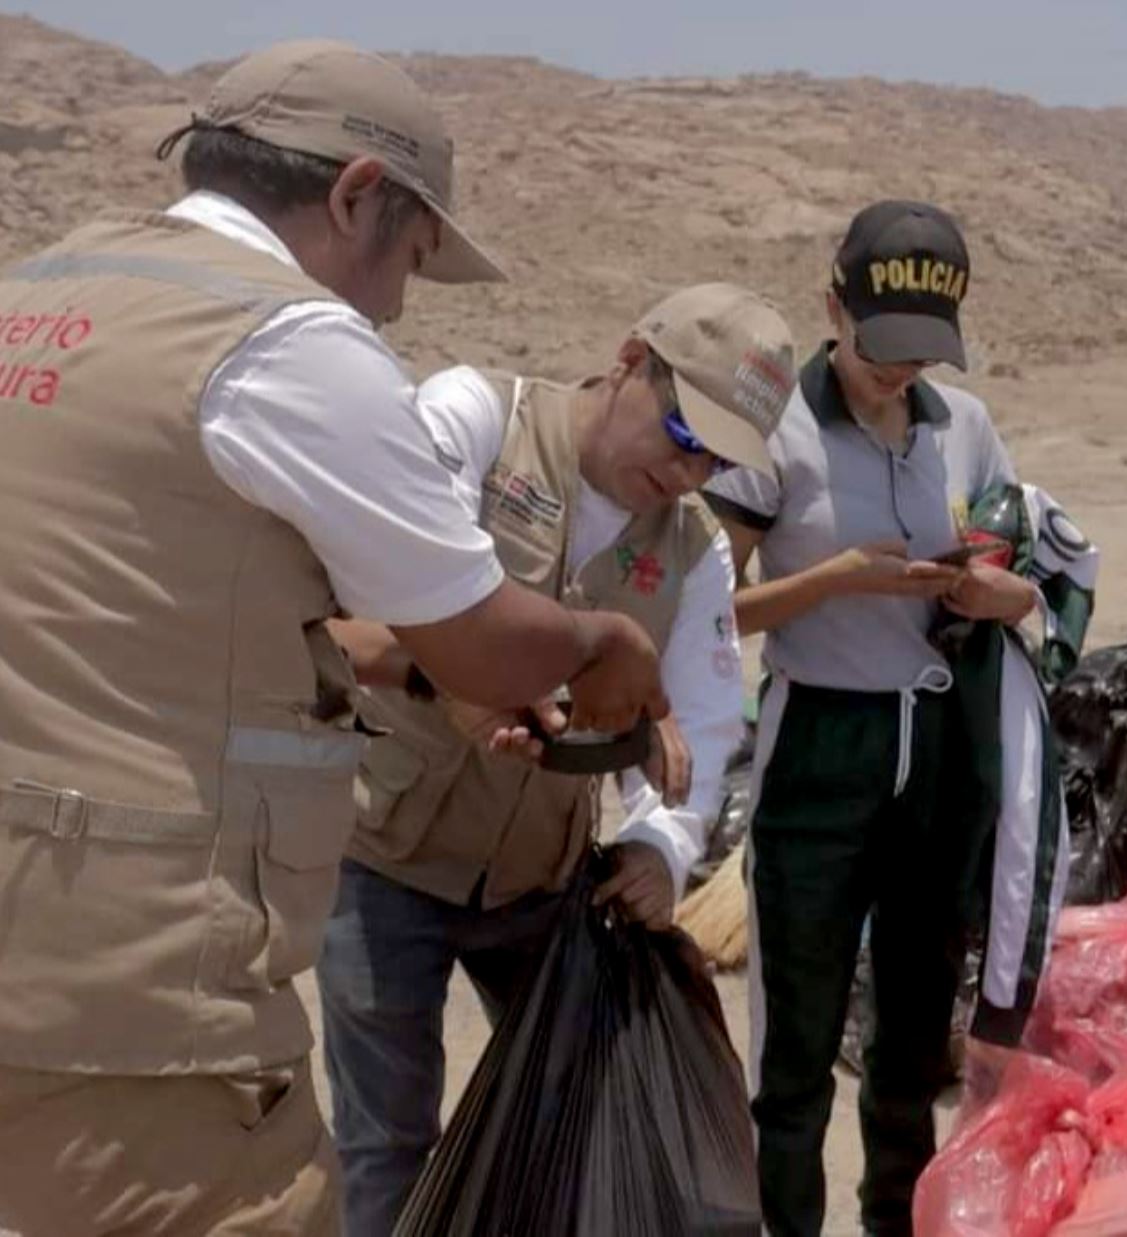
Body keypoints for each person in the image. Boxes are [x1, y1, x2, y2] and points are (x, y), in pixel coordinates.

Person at [0, 40, 667, 1235]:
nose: (397, 304)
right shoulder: (281, 340)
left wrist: (411, 666)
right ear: (357, 192)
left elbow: (158, 611)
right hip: (137, 1001)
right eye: (408, 256)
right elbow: (490, 644)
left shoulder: (41, 293)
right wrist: (602, 636)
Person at [316, 283, 797, 1235]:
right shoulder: (478, 419)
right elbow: (397, 581)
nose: (691, 470)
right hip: (386, 861)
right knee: (387, 1142)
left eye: (719, 458)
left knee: (568, 1129)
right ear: (628, 360)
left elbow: (700, 722)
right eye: (680, 432)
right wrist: (467, 683)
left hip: (541, 883)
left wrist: (660, 848)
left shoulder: (695, 553)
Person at [704, 200, 1059, 1237]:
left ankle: (895, 1221)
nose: (901, 373)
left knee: (912, 1030)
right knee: (797, 1038)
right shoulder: (774, 427)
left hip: (943, 752)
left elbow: (1019, 571)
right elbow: (709, 612)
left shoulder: (968, 425)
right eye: (881, 347)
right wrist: (836, 582)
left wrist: (1002, 595)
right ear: (832, 306)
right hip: (820, 739)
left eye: (922, 352)